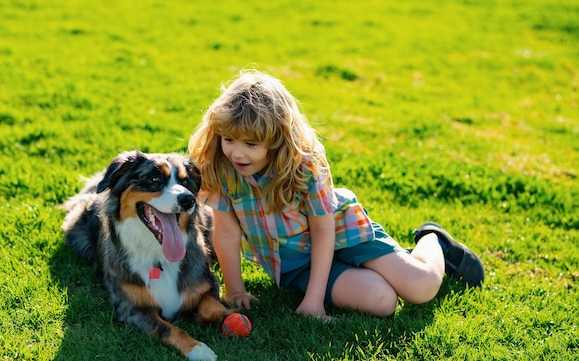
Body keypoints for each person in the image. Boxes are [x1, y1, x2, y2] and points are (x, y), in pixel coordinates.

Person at [188, 70, 484, 321]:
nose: (236, 152)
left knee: (421, 288)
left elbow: (322, 228)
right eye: (229, 140)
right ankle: (378, 269)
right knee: (383, 301)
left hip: (344, 234)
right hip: (295, 265)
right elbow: (226, 233)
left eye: (250, 144)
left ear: (276, 139)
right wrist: (236, 290)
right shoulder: (223, 167)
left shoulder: (304, 164)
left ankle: (434, 241)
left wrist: (314, 300)